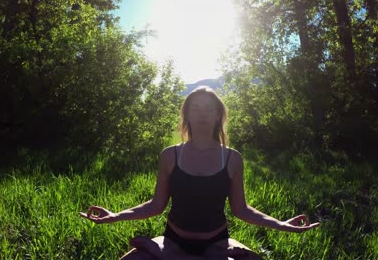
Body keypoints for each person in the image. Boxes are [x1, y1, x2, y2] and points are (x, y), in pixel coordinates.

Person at [79, 86, 320, 259]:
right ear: (187, 115)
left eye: (208, 109)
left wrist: (282, 225)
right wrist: (115, 216)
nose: (202, 113)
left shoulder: (232, 159)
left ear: (218, 116)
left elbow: (241, 210)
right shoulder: (170, 155)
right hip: (173, 242)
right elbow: (155, 205)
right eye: (195, 108)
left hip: (215, 245)